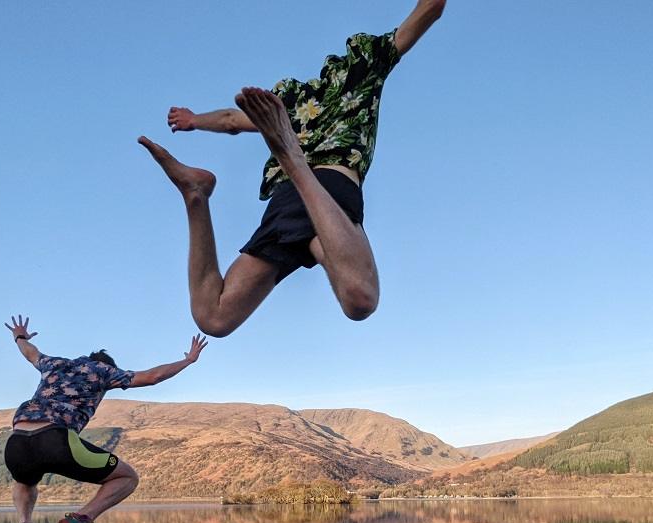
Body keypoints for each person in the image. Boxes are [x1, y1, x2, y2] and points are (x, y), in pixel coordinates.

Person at [138, 0, 446, 337]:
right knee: (360, 300)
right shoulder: (364, 70)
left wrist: (193, 120)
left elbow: (230, 120)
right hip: (330, 186)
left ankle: (196, 194)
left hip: (286, 201)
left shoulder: (292, 102)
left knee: (214, 317)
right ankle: (294, 160)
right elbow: (430, 8)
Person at [3, 315, 207, 523]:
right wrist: (188, 360)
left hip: (16, 441)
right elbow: (152, 376)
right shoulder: (102, 370)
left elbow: (29, 353)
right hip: (54, 437)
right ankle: (83, 518)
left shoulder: (54, 363)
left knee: (25, 480)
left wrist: (19, 336)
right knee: (127, 477)